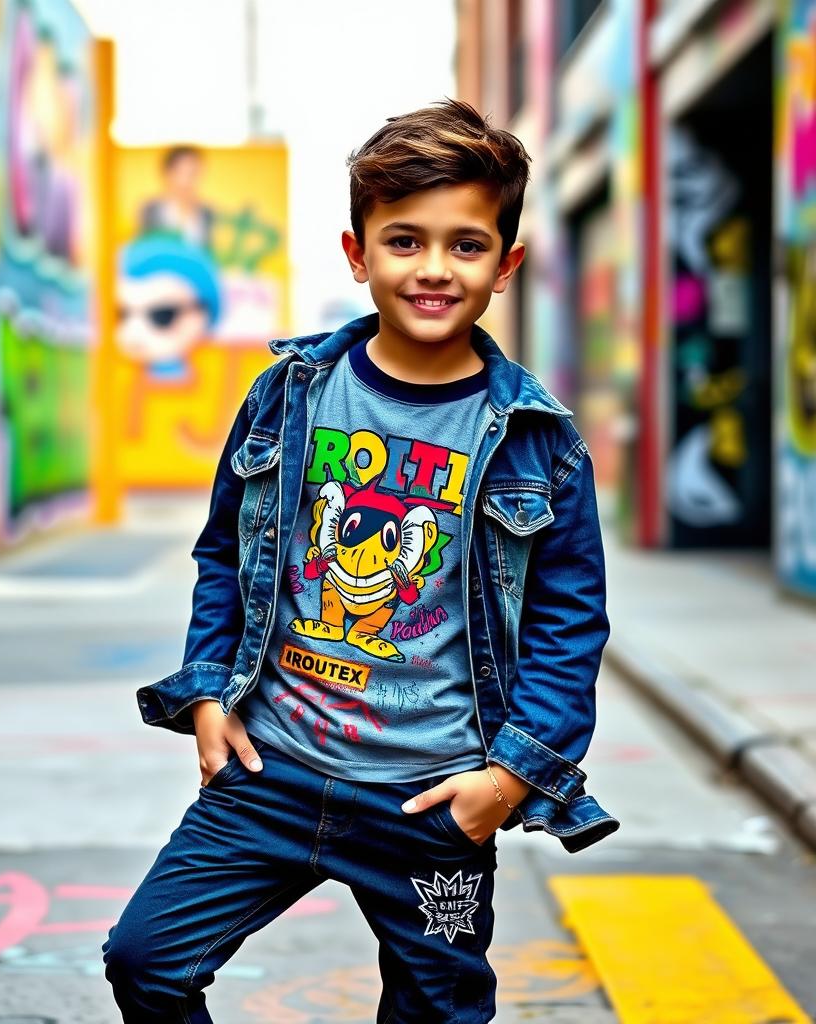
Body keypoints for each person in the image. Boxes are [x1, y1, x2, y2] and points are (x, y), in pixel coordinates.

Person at [103, 97, 619, 1023]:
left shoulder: (541, 442)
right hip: (273, 773)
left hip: (432, 801)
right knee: (147, 961)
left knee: (435, 1014)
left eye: (466, 246)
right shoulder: (288, 397)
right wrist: (211, 693)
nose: (433, 269)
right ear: (358, 253)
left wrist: (505, 782)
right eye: (404, 241)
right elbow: (225, 553)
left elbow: (568, 623)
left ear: (506, 265)